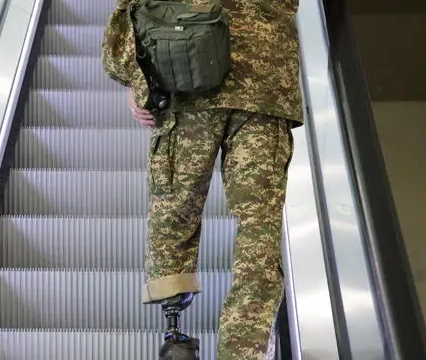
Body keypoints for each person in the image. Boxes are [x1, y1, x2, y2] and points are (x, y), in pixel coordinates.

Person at [102, 0, 303, 359]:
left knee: (175, 210)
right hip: (266, 83)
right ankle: (245, 351)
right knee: (259, 230)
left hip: (189, 71)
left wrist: (135, 76)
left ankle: (174, 334)